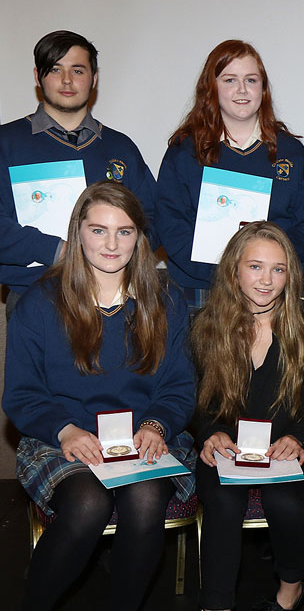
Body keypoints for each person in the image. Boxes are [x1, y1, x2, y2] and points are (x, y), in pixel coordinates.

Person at [2, 182, 194, 611]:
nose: (111, 244)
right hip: (63, 435)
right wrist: (65, 430)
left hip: (146, 433)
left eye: (125, 231)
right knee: (89, 501)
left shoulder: (165, 300)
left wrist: (157, 423)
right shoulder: (39, 302)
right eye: (98, 230)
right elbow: (22, 394)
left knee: (145, 500)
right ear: (78, 232)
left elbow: (180, 386)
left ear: (140, 238)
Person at [192, 222, 304, 611]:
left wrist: (300, 437)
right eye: (255, 267)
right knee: (221, 501)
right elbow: (199, 401)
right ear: (234, 269)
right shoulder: (206, 326)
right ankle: (215, 604)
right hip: (229, 448)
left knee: (283, 501)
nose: (267, 280)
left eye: (278, 269)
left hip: (289, 445)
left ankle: (290, 589)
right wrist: (211, 433)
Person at [0, 30, 156, 314]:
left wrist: (116, 250)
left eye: (78, 70)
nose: (67, 80)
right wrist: (58, 251)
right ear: (38, 76)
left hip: (114, 300)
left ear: (94, 78)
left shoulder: (121, 147)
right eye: (55, 69)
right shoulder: (6, 143)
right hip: (34, 299)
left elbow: (152, 218)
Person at [156, 40, 304, 310]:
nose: (242, 89)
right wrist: (230, 274)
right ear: (212, 88)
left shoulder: (291, 152)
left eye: (251, 80)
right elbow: (171, 225)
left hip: (276, 290)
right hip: (203, 288)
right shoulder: (185, 151)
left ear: (263, 89)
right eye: (229, 80)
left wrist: (268, 268)